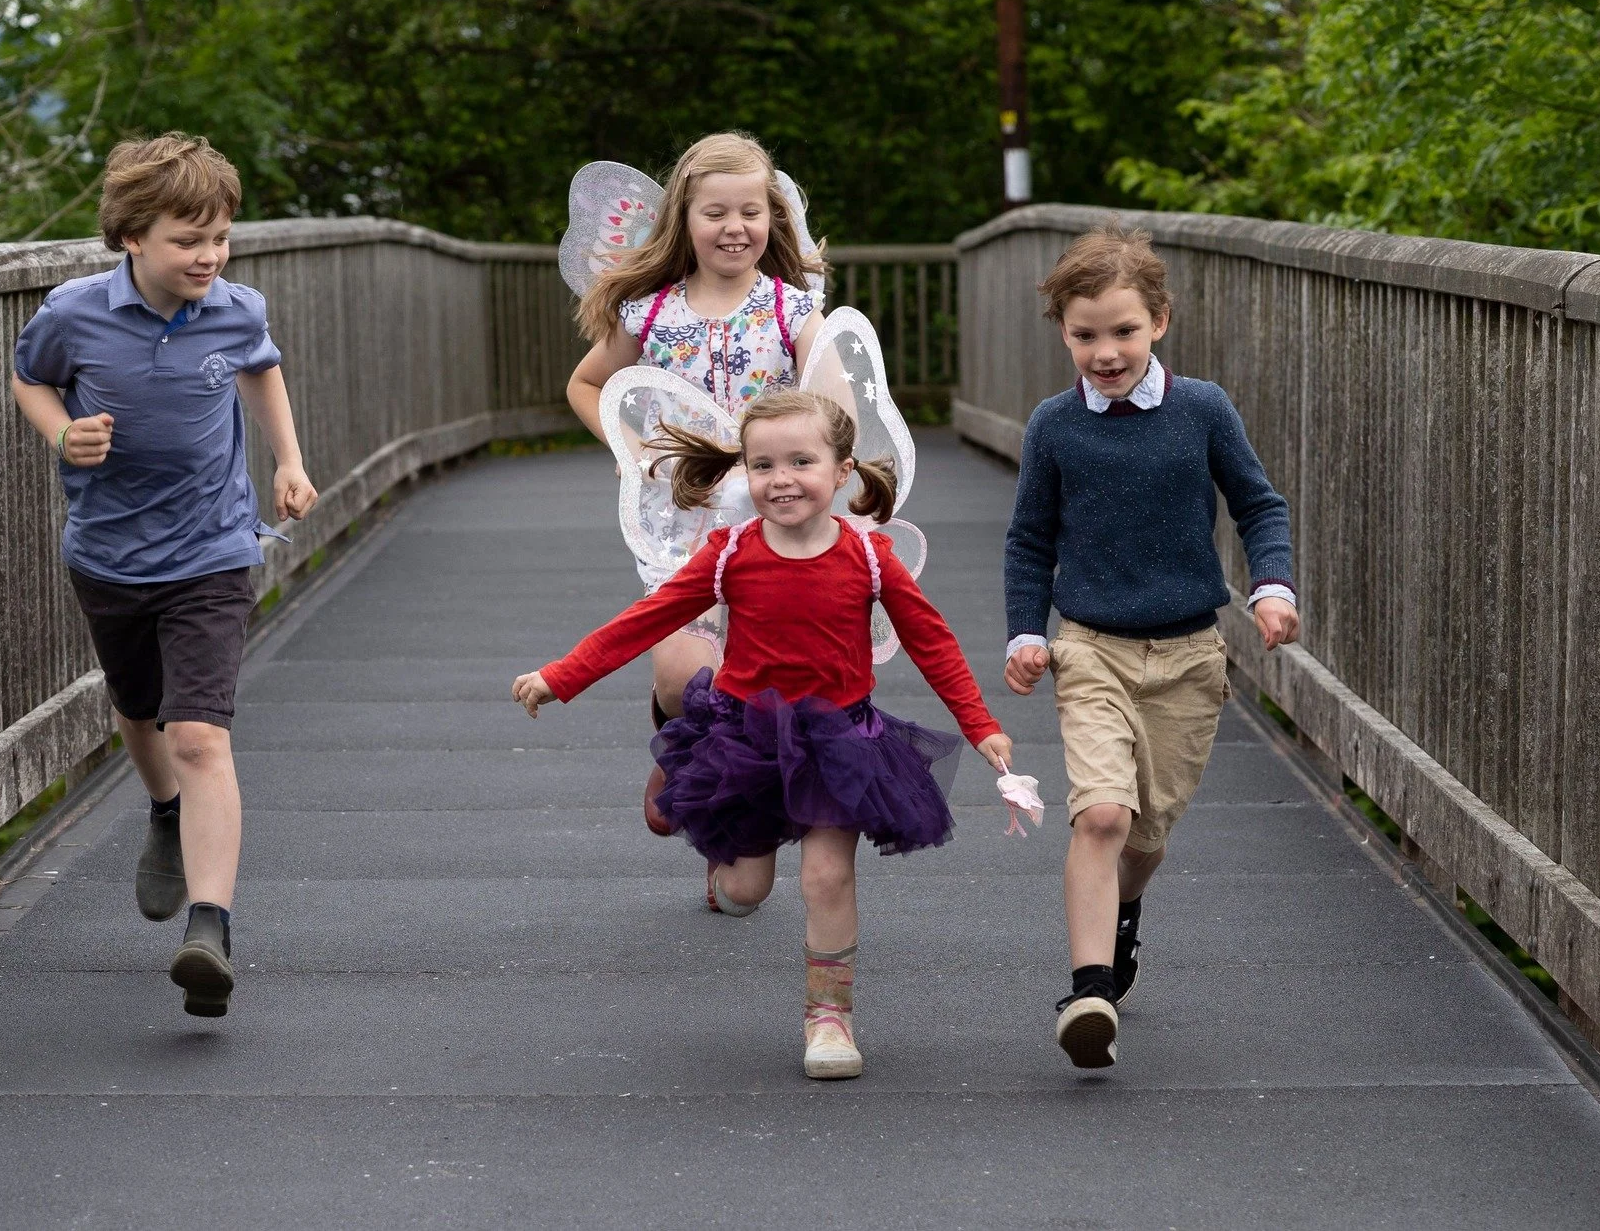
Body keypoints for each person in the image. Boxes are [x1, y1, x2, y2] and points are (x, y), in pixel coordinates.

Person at [513, 392, 1013, 1079]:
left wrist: (980, 725)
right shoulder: (730, 555)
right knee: (748, 890)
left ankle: (829, 1018)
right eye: (763, 463)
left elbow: (934, 642)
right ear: (744, 472)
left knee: (827, 874)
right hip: (748, 741)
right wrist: (561, 675)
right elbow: (645, 619)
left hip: (840, 738)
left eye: (801, 461)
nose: (781, 478)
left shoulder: (869, 557)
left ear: (840, 470)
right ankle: (716, 850)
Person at [10, 133, 318, 1019]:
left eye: (220, 236)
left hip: (214, 548)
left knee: (200, 736)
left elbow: (262, 368)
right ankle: (162, 814)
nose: (209, 256)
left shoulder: (234, 306)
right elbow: (31, 379)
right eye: (189, 239)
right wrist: (62, 431)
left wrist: (288, 460)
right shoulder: (74, 312)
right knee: (139, 712)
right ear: (131, 236)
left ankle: (210, 926)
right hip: (108, 551)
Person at [1001, 225, 1300, 1070]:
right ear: (1063, 331)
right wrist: (1029, 633)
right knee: (1101, 813)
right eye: (1086, 333)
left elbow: (1259, 505)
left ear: (1159, 321)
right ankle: (1089, 988)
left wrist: (1272, 587)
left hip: (1189, 656)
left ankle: (1124, 918)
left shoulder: (1202, 408)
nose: (1105, 351)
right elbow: (1029, 542)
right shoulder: (1055, 426)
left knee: (1145, 836)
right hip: (1091, 647)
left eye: (1123, 331)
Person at [559, 133, 827, 842]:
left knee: (760, 692)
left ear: (772, 218)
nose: (734, 227)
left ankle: (728, 817)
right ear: (685, 219)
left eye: (749, 212)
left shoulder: (792, 312)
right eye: (716, 212)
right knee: (686, 680)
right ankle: (676, 734)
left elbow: (834, 399)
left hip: (777, 530)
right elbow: (587, 384)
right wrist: (627, 445)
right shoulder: (649, 312)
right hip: (682, 525)